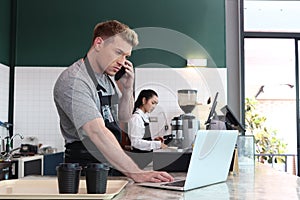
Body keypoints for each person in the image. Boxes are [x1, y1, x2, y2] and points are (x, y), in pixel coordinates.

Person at [53, 20, 173, 183]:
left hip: (111, 165)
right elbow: (97, 132)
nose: (122, 62)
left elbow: (123, 119)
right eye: (118, 52)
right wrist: (136, 172)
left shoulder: (106, 79)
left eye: (126, 56)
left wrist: (127, 90)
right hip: (86, 171)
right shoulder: (75, 80)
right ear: (99, 43)